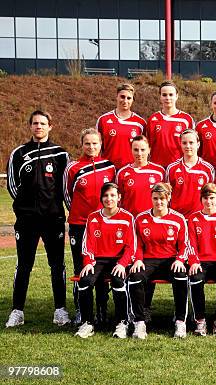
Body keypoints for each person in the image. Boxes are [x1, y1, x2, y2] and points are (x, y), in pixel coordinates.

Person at [5, 110, 70, 328]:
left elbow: (64, 187)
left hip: (53, 219)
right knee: (23, 265)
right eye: (35, 123)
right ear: (30, 126)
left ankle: (60, 309)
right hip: (27, 220)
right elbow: (12, 186)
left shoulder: (60, 154)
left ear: (50, 126)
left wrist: (58, 209)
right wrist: (25, 209)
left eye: (43, 123)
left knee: (57, 265)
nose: (38, 126)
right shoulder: (19, 153)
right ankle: (17, 311)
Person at [64, 128, 116, 324]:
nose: (91, 147)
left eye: (95, 143)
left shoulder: (109, 167)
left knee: (100, 268)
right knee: (80, 268)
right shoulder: (73, 168)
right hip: (79, 224)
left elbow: (113, 196)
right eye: (87, 143)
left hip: (103, 225)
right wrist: (80, 214)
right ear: (82, 144)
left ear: (101, 144)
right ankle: (81, 310)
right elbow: (67, 195)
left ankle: (102, 309)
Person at [129, 183, 190, 339]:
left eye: (162, 198)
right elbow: (137, 244)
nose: (158, 202)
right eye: (155, 198)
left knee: (181, 275)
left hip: (170, 260)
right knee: (135, 277)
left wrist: (180, 260)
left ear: (168, 198)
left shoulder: (178, 219)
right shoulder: (141, 218)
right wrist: (137, 260)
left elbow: (184, 244)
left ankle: (180, 321)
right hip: (148, 260)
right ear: (151, 198)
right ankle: (140, 322)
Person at [74, 183, 135, 339]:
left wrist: (122, 264)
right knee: (84, 281)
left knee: (118, 280)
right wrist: (88, 261)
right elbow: (87, 244)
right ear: (101, 198)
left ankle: (122, 322)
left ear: (119, 197)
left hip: (118, 260)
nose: (109, 199)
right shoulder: (93, 217)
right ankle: (87, 323)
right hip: (98, 260)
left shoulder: (127, 218)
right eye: (106, 195)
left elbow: (130, 246)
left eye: (113, 195)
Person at [187, 183, 216, 337]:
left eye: (212, 198)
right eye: (205, 198)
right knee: (195, 278)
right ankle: (200, 320)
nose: (209, 202)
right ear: (201, 199)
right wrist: (194, 261)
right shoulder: (193, 218)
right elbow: (190, 243)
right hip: (201, 261)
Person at [145, 80, 195, 168]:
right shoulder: (153, 119)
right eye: (164, 95)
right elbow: (147, 145)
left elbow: (193, 146)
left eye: (171, 95)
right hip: (157, 166)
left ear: (177, 96)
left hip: (179, 167)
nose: (168, 98)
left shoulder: (186, 119)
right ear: (160, 96)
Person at [96, 83, 146, 168]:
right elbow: (96, 148)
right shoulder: (103, 120)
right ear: (117, 97)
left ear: (133, 100)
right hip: (108, 168)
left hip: (131, 170)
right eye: (122, 97)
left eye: (129, 98)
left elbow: (145, 150)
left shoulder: (140, 123)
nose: (125, 100)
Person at [166, 129, 215, 217]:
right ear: (180, 144)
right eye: (184, 143)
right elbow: (167, 196)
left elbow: (212, 197)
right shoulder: (172, 168)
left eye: (191, 143)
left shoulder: (208, 169)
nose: (188, 146)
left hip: (200, 217)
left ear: (198, 144)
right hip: (177, 217)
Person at [116, 135, 165, 216]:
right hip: (131, 219)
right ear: (131, 150)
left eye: (143, 150)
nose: (139, 153)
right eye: (136, 150)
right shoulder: (122, 173)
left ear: (149, 150)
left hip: (153, 219)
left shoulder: (159, 171)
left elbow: (165, 198)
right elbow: (119, 201)